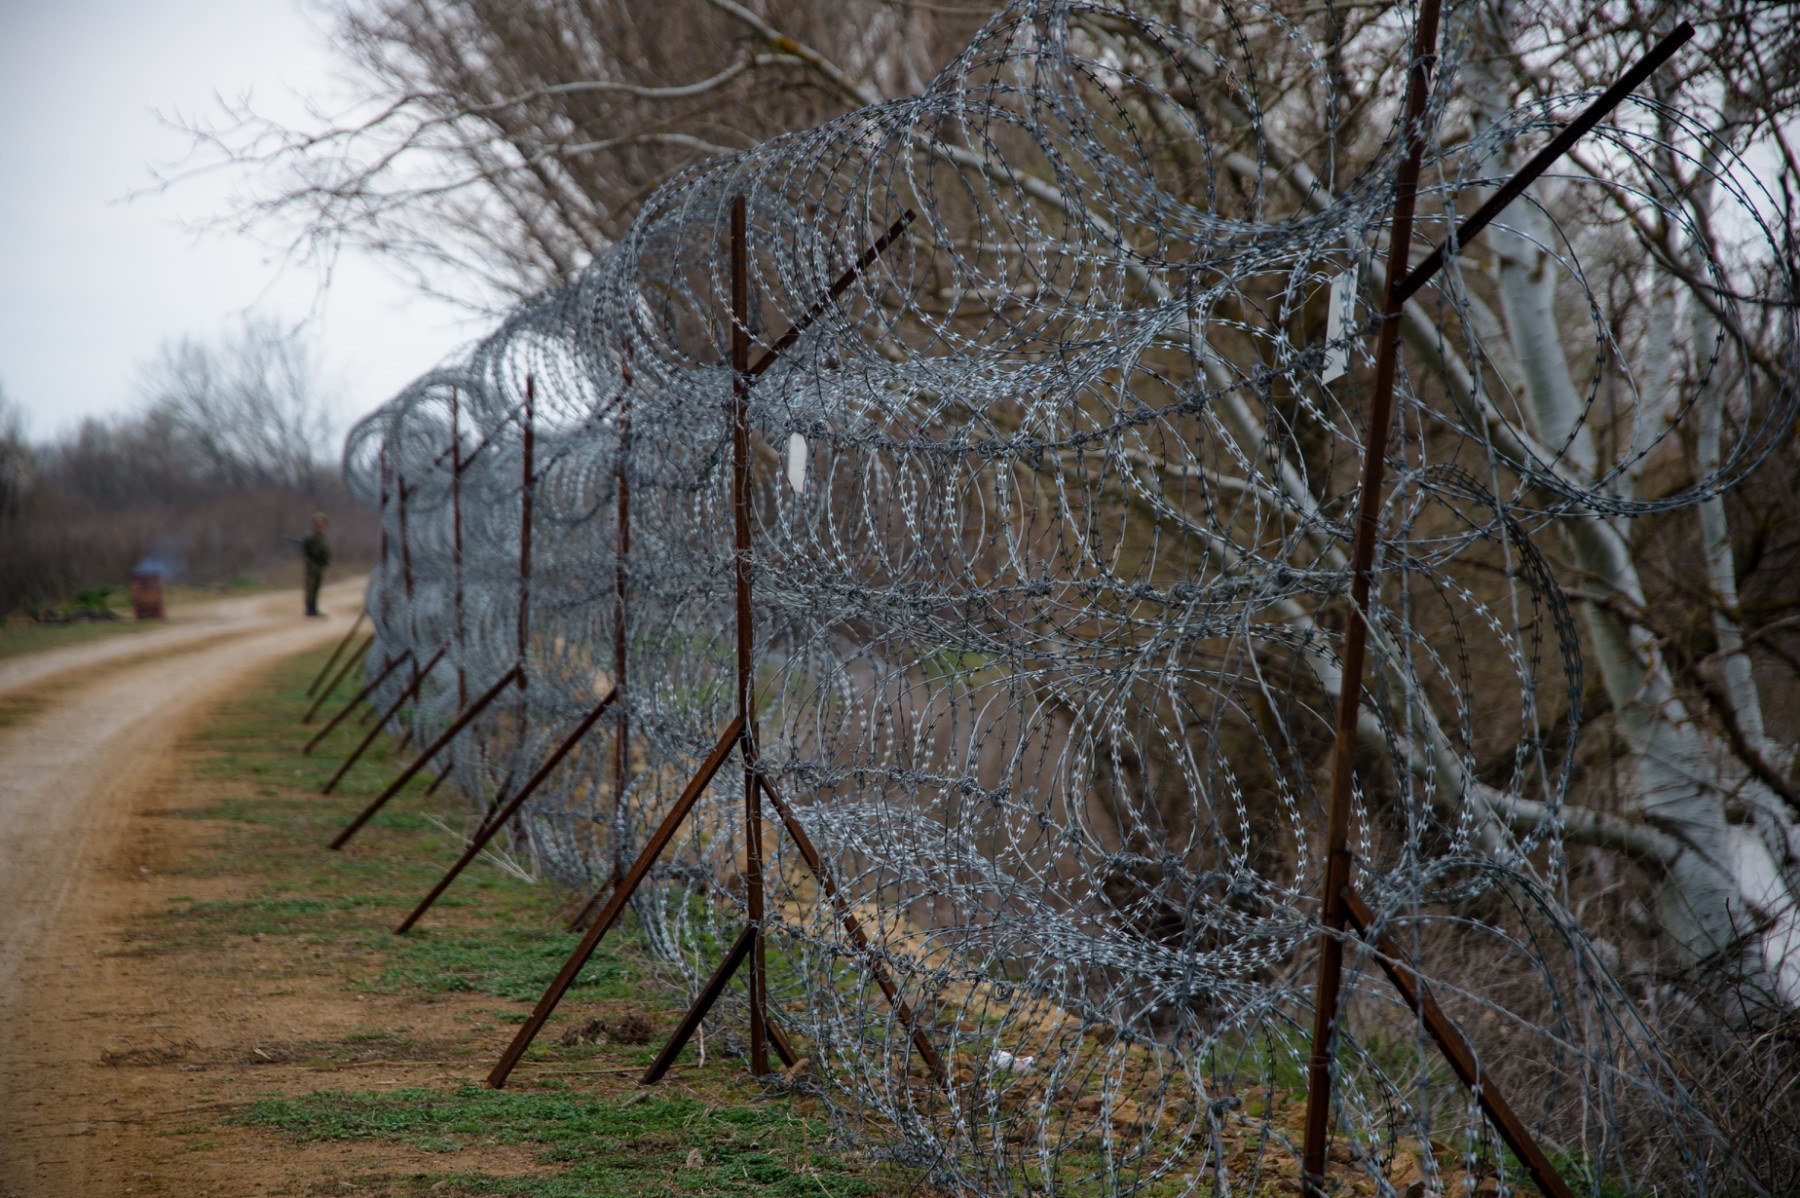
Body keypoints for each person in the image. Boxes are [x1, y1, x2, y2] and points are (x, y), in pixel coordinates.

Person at [301, 512, 331, 617]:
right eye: (318, 524)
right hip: (312, 565)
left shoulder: (322, 537)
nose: (320, 526)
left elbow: (325, 550)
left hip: (319, 565)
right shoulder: (310, 537)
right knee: (311, 587)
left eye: (322, 524)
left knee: (317, 587)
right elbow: (305, 551)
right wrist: (311, 558)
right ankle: (310, 609)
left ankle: (314, 608)